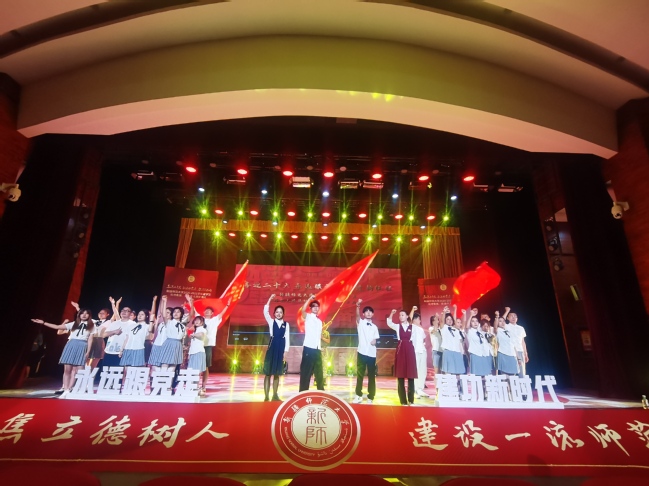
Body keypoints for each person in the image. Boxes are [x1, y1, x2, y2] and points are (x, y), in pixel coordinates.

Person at [31, 309, 95, 398]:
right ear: (79, 315)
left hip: (82, 345)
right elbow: (57, 327)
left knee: (76, 370)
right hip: (71, 344)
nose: (84, 315)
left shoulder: (92, 326)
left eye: (86, 313)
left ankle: (70, 388)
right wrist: (43, 323)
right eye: (82, 313)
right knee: (67, 370)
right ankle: (66, 389)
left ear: (89, 315)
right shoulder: (73, 324)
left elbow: (90, 339)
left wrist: (88, 351)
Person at [193, 294, 231, 395]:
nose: (207, 312)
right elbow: (194, 311)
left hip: (207, 345)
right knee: (196, 366)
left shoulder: (215, 320)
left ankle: (203, 386)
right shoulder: (200, 319)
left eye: (209, 311)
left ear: (212, 313)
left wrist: (227, 305)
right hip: (198, 345)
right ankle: (195, 385)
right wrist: (190, 302)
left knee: (205, 366)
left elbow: (222, 314)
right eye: (206, 310)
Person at [387, 309, 417, 405]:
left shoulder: (413, 327)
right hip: (400, 350)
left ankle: (411, 400)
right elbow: (389, 323)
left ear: (407, 316)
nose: (400, 316)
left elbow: (415, 340)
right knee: (400, 375)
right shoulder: (397, 326)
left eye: (402, 315)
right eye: (399, 315)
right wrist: (392, 313)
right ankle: (403, 401)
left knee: (411, 376)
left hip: (410, 350)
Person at [263, 294, 290, 401]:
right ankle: (266, 396)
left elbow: (287, 338)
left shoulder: (286, 324)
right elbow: (265, 311)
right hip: (272, 347)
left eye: (281, 312)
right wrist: (270, 299)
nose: (279, 314)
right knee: (268, 373)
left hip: (280, 348)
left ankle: (275, 395)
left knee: (277, 373)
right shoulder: (271, 322)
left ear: (283, 314)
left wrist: (286, 351)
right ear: (274, 313)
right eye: (277, 312)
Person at [352, 299, 379, 404]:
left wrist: (375, 341)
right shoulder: (361, 323)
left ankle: (371, 396)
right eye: (366, 311)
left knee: (372, 376)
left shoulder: (375, 327)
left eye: (370, 311)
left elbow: (376, 339)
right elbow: (357, 316)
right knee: (360, 375)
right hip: (362, 352)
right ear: (363, 314)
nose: (368, 313)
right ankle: (358, 395)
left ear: (372, 314)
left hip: (372, 354)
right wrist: (357, 306)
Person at [299, 294, 325, 392]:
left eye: (317, 306)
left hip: (317, 349)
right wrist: (310, 299)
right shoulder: (308, 317)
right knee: (306, 372)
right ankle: (303, 392)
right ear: (310, 308)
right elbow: (302, 310)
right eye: (313, 306)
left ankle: (321, 392)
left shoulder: (320, 322)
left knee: (319, 373)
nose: (315, 308)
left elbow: (319, 336)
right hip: (308, 348)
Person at [440, 305, 466, 376]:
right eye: (447, 319)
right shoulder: (444, 327)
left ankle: (458, 383)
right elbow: (442, 321)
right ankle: (449, 383)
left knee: (458, 371)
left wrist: (455, 309)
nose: (450, 320)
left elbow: (456, 320)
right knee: (448, 372)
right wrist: (444, 312)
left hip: (457, 351)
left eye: (450, 319)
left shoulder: (455, 329)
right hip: (448, 351)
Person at [409, 306, 429, 398]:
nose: (420, 321)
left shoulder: (420, 329)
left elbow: (423, 339)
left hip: (422, 351)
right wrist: (412, 310)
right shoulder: (411, 327)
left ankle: (420, 389)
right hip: (415, 351)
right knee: (415, 370)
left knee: (422, 370)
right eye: (418, 319)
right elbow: (410, 318)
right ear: (415, 319)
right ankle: (414, 389)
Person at [148, 296, 171, 371]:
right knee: (154, 364)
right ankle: (153, 377)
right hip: (156, 345)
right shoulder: (161, 324)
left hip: (165, 347)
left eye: (168, 313)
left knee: (163, 366)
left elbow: (162, 313)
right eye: (165, 312)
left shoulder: (171, 323)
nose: (166, 314)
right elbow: (161, 312)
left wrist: (165, 302)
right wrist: (162, 301)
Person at [187, 315, 208, 396]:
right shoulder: (195, 331)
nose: (196, 321)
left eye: (199, 320)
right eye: (195, 320)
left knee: (196, 372)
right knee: (191, 371)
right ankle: (192, 388)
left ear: (202, 322)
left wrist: (193, 335)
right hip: (193, 353)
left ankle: (196, 388)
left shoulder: (202, 329)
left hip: (198, 352)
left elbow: (201, 335)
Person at [506, 309, 529, 377]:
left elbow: (522, 341)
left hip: (520, 351)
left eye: (515, 316)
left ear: (517, 318)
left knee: (522, 372)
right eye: (511, 316)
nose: (513, 317)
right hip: (510, 351)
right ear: (508, 318)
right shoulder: (506, 326)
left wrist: (525, 353)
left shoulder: (521, 328)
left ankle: (522, 383)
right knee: (511, 372)